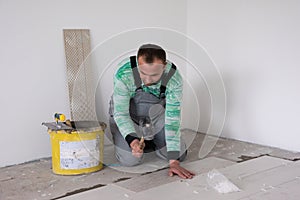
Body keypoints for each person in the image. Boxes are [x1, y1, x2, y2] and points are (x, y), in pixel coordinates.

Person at [109, 44, 195, 179]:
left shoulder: (173, 77)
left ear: (164, 66)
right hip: (128, 116)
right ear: (138, 64)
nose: (148, 80)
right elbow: (121, 113)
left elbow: (172, 119)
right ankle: (131, 138)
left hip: (156, 116)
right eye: (143, 73)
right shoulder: (123, 73)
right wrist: (132, 140)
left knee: (179, 155)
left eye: (155, 75)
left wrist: (174, 162)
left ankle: (150, 140)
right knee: (130, 160)